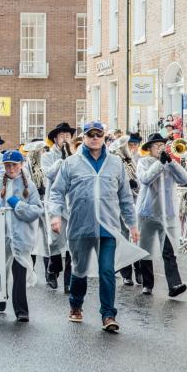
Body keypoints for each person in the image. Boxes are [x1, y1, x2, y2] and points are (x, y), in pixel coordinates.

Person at [48, 121, 144, 332]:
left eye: (98, 134)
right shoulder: (71, 163)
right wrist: (55, 215)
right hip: (80, 226)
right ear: (83, 137)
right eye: (90, 134)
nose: (94, 138)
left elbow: (126, 197)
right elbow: (56, 192)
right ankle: (76, 305)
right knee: (80, 269)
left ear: (103, 137)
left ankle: (108, 315)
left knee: (107, 271)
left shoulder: (116, 163)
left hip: (108, 227)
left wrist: (132, 224)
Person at [0, 150, 43, 322]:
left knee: (19, 272)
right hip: (0, 236)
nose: (11, 169)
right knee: (1, 269)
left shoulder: (28, 186)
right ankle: (0, 297)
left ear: (21, 165)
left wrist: (18, 206)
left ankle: (21, 311)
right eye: (7, 165)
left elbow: (37, 210)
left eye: (14, 165)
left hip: (21, 237)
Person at [135, 133, 187, 296]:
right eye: (157, 146)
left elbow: (184, 179)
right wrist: (160, 163)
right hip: (147, 213)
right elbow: (145, 179)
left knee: (169, 250)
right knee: (146, 249)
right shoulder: (143, 162)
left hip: (167, 214)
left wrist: (171, 162)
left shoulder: (169, 163)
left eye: (162, 146)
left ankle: (174, 284)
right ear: (149, 149)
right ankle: (147, 284)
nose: (160, 148)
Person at [41, 122, 75, 291]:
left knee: (71, 242)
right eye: (62, 135)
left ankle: (69, 281)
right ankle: (52, 270)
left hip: (71, 204)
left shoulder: (75, 155)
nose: (65, 138)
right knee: (54, 240)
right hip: (54, 203)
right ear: (55, 138)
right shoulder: (47, 156)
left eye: (68, 136)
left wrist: (70, 155)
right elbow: (49, 174)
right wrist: (62, 159)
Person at [114, 132, 143, 286]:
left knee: (137, 238)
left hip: (136, 201)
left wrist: (135, 183)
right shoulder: (117, 159)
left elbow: (143, 180)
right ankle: (126, 274)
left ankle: (138, 269)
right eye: (129, 145)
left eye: (134, 145)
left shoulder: (140, 159)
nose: (132, 148)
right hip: (121, 203)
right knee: (124, 238)